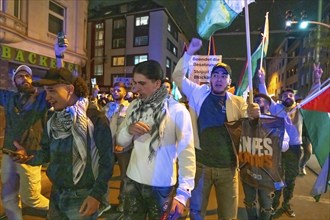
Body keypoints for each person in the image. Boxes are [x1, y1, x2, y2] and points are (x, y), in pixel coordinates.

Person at [172, 38, 260, 220]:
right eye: (215, 75)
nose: (219, 79)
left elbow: (251, 125)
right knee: (196, 213)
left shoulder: (238, 102)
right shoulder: (198, 93)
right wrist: (189, 54)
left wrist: (254, 114)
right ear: (210, 78)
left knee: (228, 216)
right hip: (201, 166)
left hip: (228, 169)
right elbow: (178, 77)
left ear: (229, 81)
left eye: (223, 76)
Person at [10, 68, 113, 219]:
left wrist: (96, 195)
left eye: (51, 91)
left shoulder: (94, 118)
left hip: (83, 196)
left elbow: (107, 161)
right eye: (46, 91)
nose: (47, 97)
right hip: (57, 194)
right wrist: (28, 156)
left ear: (70, 89)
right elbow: (47, 152)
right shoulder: (52, 117)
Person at [116, 60, 196, 219]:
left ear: (157, 83)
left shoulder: (177, 111)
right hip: (133, 181)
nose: (136, 88)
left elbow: (187, 154)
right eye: (134, 83)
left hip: (162, 186)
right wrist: (128, 130)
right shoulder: (134, 106)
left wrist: (183, 194)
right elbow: (121, 140)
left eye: (142, 83)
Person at [0, 40, 67, 220]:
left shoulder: (41, 99)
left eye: (28, 76)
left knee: (32, 199)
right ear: (14, 80)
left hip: (29, 155)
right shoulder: (8, 98)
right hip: (8, 154)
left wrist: (59, 57)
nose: (24, 78)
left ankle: (63, 210)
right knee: (8, 197)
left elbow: (58, 82)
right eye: (20, 76)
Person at [258, 64, 323, 218]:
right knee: (277, 178)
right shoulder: (276, 108)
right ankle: (273, 206)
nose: (288, 97)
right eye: (285, 95)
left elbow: (314, 95)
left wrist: (317, 79)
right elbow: (264, 95)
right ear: (281, 98)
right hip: (278, 149)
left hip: (294, 149)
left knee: (291, 179)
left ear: (294, 97)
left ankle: (286, 204)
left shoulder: (300, 108)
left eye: (291, 95)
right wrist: (261, 80)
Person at [241, 93, 289, 220]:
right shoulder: (245, 123)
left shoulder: (275, 123)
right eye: (255, 100)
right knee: (249, 202)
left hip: (267, 172)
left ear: (268, 105)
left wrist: (273, 139)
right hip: (249, 170)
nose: (257, 103)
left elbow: (285, 145)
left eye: (260, 101)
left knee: (266, 204)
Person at [103, 82, 131, 213]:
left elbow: (131, 129)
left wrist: (124, 144)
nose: (115, 92)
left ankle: (123, 201)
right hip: (107, 146)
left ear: (124, 93)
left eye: (119, 90)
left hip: (123, 148)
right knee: (104, 175)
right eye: (114, 90)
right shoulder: (108, 107)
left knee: (125, 176)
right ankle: (104, 202)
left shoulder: (130, 108)